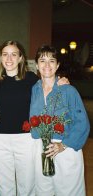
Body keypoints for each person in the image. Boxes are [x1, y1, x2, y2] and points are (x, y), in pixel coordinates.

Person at [0, 40, 70, 196]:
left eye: (14, 54)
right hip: (1, 139)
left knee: (26, 184)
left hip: (25, 139)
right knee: (3, 184)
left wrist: (61, 80)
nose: (9, 59)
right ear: (0, 58)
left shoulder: (31, 79)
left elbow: (49, 81)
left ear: (21, 58)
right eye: (5, 55)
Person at [30, 45, 90, 196]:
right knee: (43, 192)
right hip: (40, 150)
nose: (47, 65)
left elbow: (82, 123)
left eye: (51, 61)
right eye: (42, 60)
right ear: (36, 65)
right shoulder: (34, 90)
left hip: (66, 150)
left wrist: (63, 145)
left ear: (57, 65)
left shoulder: (69, 90)